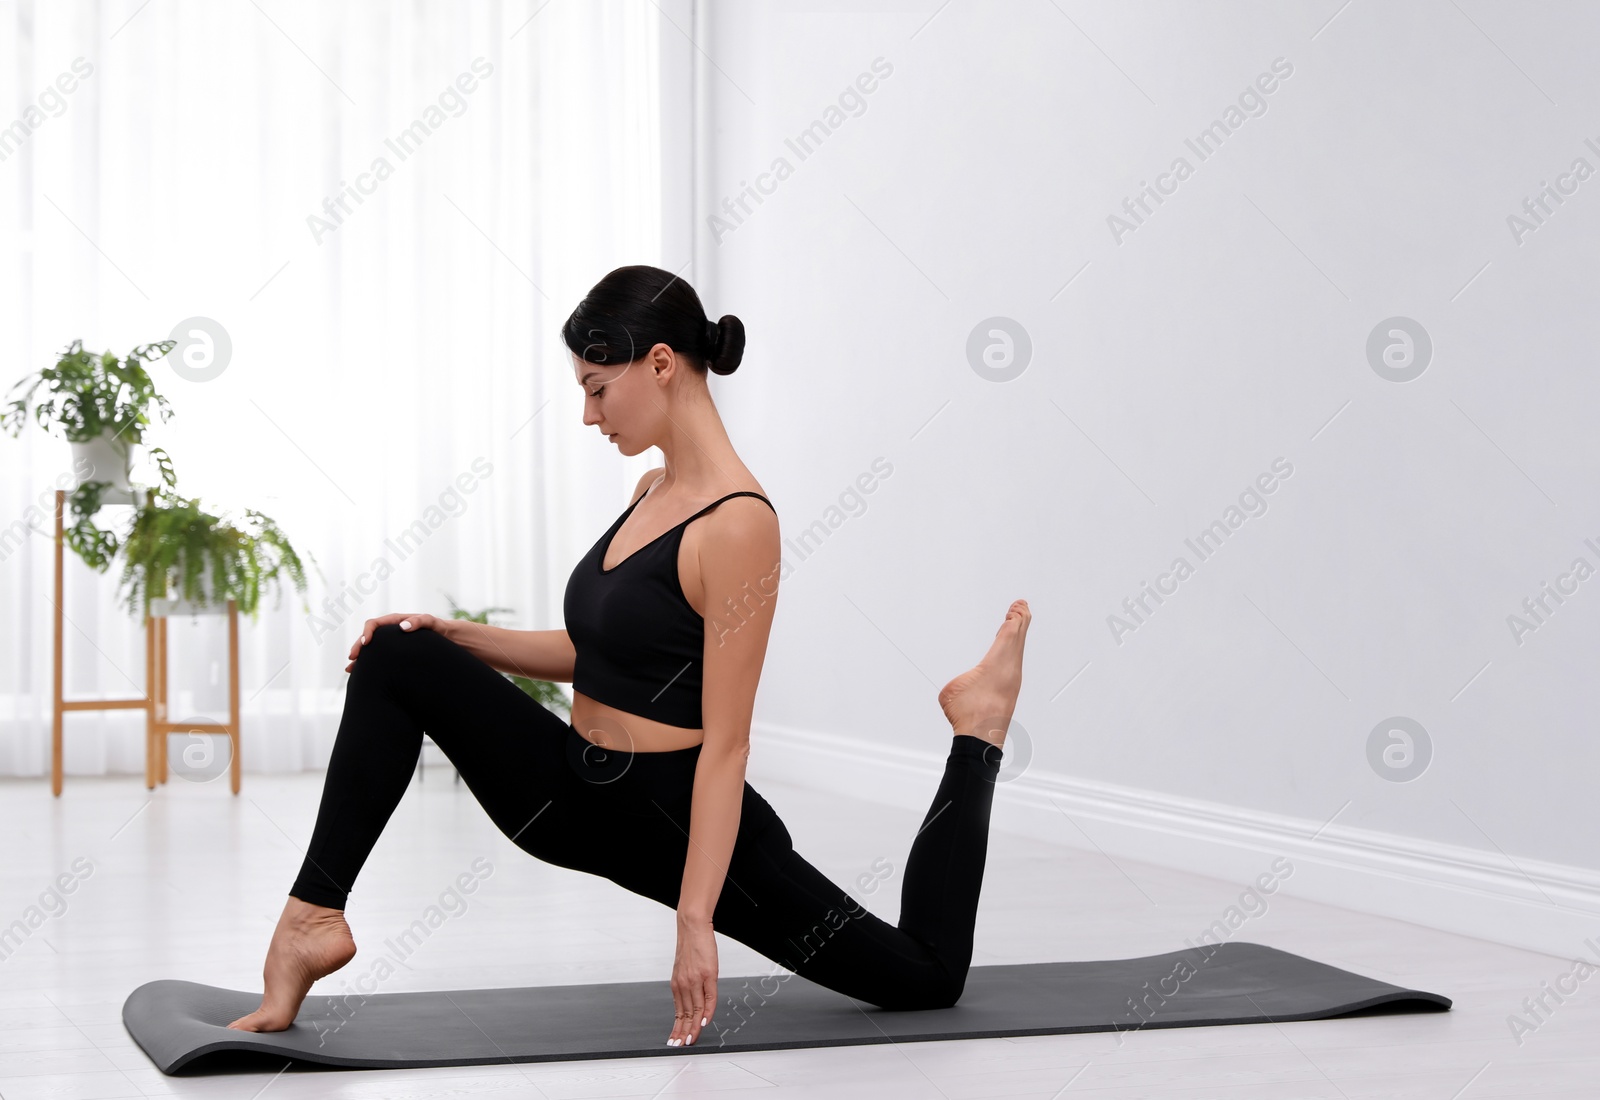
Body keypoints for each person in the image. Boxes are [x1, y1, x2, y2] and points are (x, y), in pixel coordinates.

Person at [227, 264, 1031, 1049]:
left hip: (673, 821)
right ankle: (312, 918)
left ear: (660, 364)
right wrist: (451, 635)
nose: (589, 415)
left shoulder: (740, 525)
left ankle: (978, 731)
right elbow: (598, 653)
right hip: (578, 791)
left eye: (596, 389)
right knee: (398, 656)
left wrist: (693, 922)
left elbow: (728, 743)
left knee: (926, 977)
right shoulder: (650, 492)